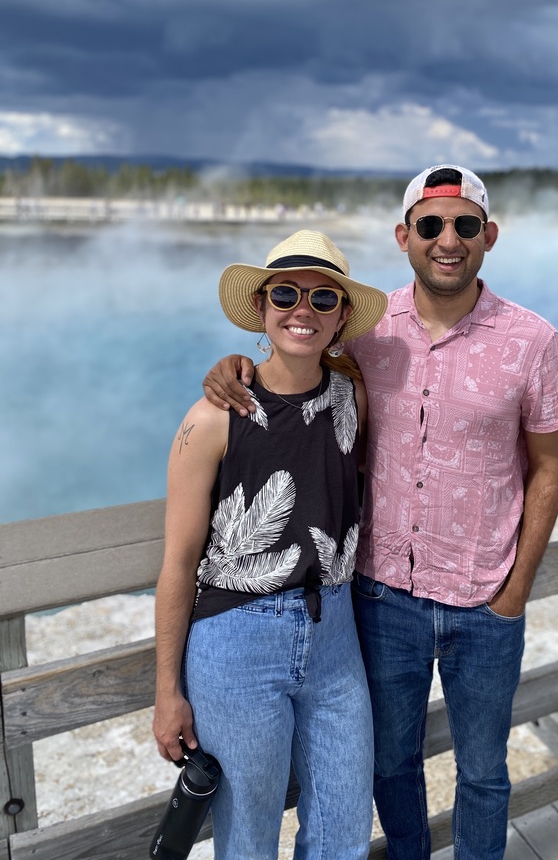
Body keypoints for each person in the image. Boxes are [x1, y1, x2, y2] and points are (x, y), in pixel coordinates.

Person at [203, 166, 558, 860]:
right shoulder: (369, 335)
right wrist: (233, 365)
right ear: (405, 237)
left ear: (489, 236)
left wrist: (515, 593)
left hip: (485, 597)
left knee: (484, 774)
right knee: (390, 765)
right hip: (382, 597)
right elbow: (294, 351)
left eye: (464, 225)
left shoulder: (534, 341)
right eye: (430, 225)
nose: (447, 239)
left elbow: (548, 468)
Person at [153, 229, 388, 860]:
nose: (301, 310)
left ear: (341, 318)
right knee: (248, 835)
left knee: (342, 828)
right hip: (236, 642)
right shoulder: (212, 417)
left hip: (336, 635)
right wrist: (166, 692)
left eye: (322, 299)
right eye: (285, 292)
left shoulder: (352, 397)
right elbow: (177, 563)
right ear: (261, 308)